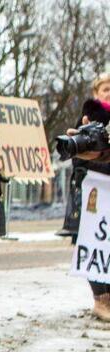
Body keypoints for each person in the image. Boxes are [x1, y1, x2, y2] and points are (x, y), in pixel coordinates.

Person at [64, 73, 110, 321]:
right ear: (96, 93)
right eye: (106, 88)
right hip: (95, 190)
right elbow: (75, 151)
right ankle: (100, 299)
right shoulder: (88, 118)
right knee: (95, 244)